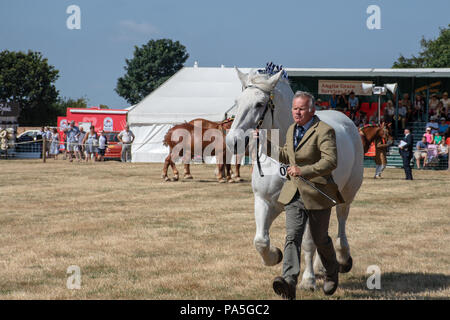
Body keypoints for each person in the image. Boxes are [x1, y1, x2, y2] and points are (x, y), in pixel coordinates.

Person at [270, 91, 343, 299]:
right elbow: (286, 155)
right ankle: (289, 282)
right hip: (294, 193)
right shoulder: (291, 129)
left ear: (312, 110)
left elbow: (331, 161)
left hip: (318, 193)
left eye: (301, 108)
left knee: (320, 239)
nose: (297, 112)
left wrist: (304, 170)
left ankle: (331, 272)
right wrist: (263, 145)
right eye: (294, 108)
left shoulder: (324, 131)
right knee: (292, 237)